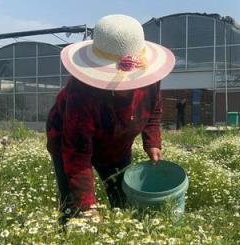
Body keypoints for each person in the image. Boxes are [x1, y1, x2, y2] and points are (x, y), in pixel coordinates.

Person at [46, 14, 175, 224]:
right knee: (74, 206)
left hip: (117, 142)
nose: (127, 88)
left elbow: (153, 110)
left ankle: (122, 226)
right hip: (67, 140)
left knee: (122, 196)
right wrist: (87, 206)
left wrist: (152, 142)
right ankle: (70, 228)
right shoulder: (82, 92)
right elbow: (76, 154)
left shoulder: (148, 75)